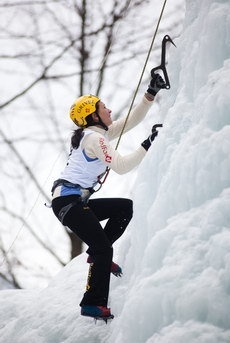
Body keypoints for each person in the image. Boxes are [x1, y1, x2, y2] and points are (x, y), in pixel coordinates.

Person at [51, 71, 166, 320]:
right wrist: (148, 143)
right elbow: (122, 166)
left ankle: (97, 253)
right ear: (93, 115)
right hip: (69, 202)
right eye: (104, 107)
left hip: (70, 201)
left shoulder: (94, 135)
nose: (110, 110)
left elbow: (127, 123)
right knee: (104, 249)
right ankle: (91, 303)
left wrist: (150, 94)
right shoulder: (94, 139)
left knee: (123, 208)